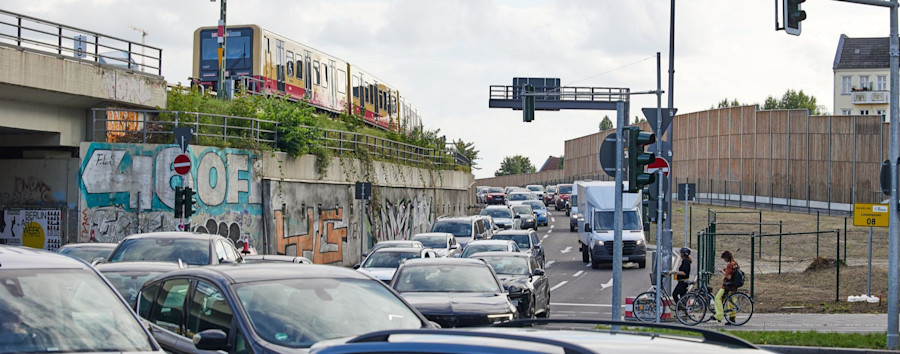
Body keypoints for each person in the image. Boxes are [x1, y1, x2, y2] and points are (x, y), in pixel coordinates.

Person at [714, 250, 739, 323]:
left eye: (724, 258)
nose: (724, 260)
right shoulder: (735, 263)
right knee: (731, 302)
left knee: (717, 298)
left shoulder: (729, 265)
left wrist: (722, 272)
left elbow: (728, 276)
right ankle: (732, 318)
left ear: (727, 257)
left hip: (727, 285)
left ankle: (719, 315)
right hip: (733, 286)